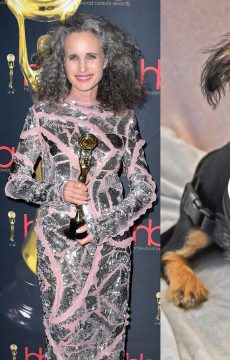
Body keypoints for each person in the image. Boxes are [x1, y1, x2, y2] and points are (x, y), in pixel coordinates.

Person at [5, 14, 156, 359]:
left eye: (91, 56)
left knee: (110, 341)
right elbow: (15, 184)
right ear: (62, 62)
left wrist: (106, 225)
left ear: (107, 61)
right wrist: (57, 190)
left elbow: (144, 187)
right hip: (59, 250)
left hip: (111, 250)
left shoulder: (123, 117)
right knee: (64, 340)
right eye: (74, 57)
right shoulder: (43, 115)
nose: (83, 66)